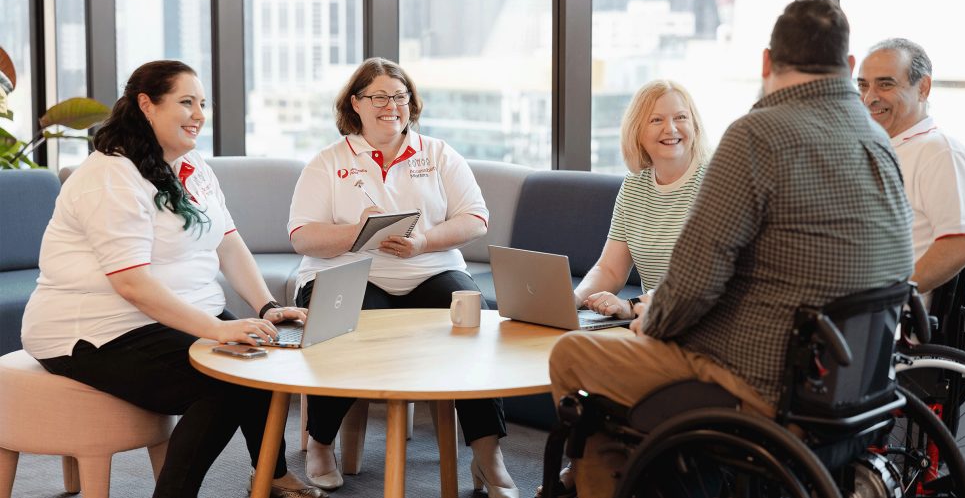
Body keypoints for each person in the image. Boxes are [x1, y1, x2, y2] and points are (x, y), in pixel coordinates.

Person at [547, 0, 914, 497]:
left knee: (572, 354)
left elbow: (692, 286)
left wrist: (647, 322)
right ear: (849, 68)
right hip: (855, 382)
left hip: (761, 382)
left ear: (767, 63)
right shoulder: (879, 144)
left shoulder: (755, 137)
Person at [20, 60, 323, 498]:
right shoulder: (110, 176)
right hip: (97, 329)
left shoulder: (192, 163)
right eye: (186, 102)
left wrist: (267, 308)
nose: (199, 113)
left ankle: (272, 477)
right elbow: (132, 285)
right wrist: (219, 329)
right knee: (224, 385)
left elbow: (229, 243)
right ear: (147, 105)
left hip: (175, 314)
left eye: (202, 103)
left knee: (263, 355)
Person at [288, 57, 517, 497]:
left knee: (473, 319)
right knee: (343, 326)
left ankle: (488, 455)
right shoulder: (327, 161)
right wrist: (359, 232)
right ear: (355, 103)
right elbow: (303, 237)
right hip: (347, 269)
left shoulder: (438, 153)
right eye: (378, 96)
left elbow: (475, 218)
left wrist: (424, 241)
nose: (390, 105)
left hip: (429, 266)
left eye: (399, 96)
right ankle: (320, 443)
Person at [574, 80, 711, 318]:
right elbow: (610, 270)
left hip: (701, 322)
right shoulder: (634, 186)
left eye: (680, 117)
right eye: (657, 120)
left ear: (695, 126)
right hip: (653, 322)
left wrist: (632, 306)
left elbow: (699, 279)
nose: (671, 129)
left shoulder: (716, 182)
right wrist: (574, 298)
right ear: (637, 131)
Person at [857, 38, 965, 295]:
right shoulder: (879, 148)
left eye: (885, 84)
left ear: (923, 88)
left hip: (888, 321)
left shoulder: (940, 152)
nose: (869, 98)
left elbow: (961, 241)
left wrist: (889, 299)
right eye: (863, 85)